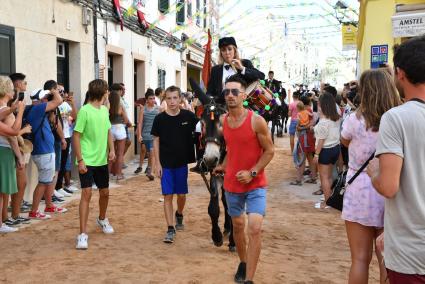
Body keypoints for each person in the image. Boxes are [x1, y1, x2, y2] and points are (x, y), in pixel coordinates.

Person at [367, 36, 425, 283]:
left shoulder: (396, 118)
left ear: (399, 73)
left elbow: (388, 186)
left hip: (410, 252)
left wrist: (373, 174)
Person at [341, 69, 401, 284]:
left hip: (359, 190)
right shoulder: (398, 119)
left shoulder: (353, 120)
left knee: (359, 259)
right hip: (391, 189)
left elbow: (345, 142)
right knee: (388, 260)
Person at [213, 75, 274, 284]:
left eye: (234, 92)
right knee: (238, 226)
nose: (230, 96)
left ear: (244, 95)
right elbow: (233, 149)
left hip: (256, 184)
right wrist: (223, 165)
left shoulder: (257, 121)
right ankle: (243, 261)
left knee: (254, 228)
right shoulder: (223, 122)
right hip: (232, 184)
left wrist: (253, 172)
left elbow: (269, 151)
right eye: (227, 92)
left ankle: (249, 279)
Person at [151, 86, 198, 244]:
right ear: (165, 100)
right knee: (168, 195)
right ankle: (170, 228)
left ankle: (179, 213)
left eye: (175, 98)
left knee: (181, 195)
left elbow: (202, 129)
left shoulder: (189, 117)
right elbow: (155, 140)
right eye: (169, 98)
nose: (172, 102)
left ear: (180, 99)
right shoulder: (159, 119)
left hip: (181, 163)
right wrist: (157, 163)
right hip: (165, 164)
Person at [73, 79, 116, 250]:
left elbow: (107, 131)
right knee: (86, 194)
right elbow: (76, 136)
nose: (108, 93)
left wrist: (111, 149)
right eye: (107, 90)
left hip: (101, 160)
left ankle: (102, 218)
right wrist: (80, 160)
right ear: (103, 92)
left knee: (105, 192)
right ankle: (82, 234)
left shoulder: (104, 110)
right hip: (87, 160)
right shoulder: (84, 111)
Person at [27, 86, 67, 219]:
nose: (47, 99)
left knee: (47, 181)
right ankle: (34, 211)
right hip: (43, 152)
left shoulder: (38, 110)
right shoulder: (38, 108)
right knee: (43, 182)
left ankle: (49, 205)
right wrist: (54, 91)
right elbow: (59, 101)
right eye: (45, 98)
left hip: (45, 151)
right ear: (39, 100)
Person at [0, 76, 31, 232]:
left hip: (6, 151)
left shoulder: (5, 108)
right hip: (4, 151)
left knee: (4, 190)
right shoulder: (3, 110)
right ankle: (3, 221)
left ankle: (3, 220)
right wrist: (20, 112)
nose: (13, 91)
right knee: (3, 190)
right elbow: (12, 133)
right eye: (12, 88)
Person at [207, 36, 264, 105]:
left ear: (235, 50)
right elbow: (210, 91)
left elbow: (261, 76)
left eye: (229, 49)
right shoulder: (215, 70)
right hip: (222, 108)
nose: (227, 52)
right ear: (221, 53)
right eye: (223, 50)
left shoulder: (245, 63)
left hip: (243, 108)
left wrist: (242, 68)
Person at [8, 73, 32, 221]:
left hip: (17, 145)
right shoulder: (11, 103)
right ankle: (13, 216)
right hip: (11, 147)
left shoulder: (17, 101)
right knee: (18, 183)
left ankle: (15, 215)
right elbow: (10, 130)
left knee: (21, 183)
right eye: (24, 82)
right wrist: (23, 131)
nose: (25, 85)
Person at [313, 92, 341, 203]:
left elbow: (321, 140)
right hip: (335, 148)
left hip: (325, 150)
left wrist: (316, 154)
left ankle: (327, 201)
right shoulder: (336, 118)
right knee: (328, 176)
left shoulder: (323, 122)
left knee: (324, 177)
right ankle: (328, 198)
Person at [55, 85, 77, 195]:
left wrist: (72, 104)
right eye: (60, 91)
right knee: (58, 164)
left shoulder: (64, 104)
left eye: (63, 91)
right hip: (59, 137)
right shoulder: (54, 104)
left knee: (63, 163)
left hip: (67, 135)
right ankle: (56, 188)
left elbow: (73, 118)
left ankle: (60, 186)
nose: (62, 93)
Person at [134, 88, 159, 180]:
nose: (153, 100)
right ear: (147, 100)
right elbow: (140, 123)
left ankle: (151, 171)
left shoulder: (158, 109)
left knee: (152, 152)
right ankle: (149, 168)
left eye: (153, 98)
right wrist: (139, 135)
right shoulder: (143, 110)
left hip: (154, 135)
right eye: (150, 99)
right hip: (145, 135)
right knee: (148, 152)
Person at [108, 88, 130, 180]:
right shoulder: (120, 106)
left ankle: (107, 175)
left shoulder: (107, 106)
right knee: (120, 154)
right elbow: (126, 120)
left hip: (110, 129)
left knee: (110, 153)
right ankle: (119, 174)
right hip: (120, 128)